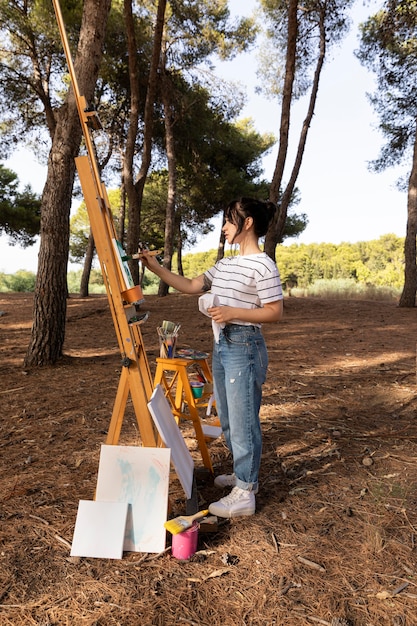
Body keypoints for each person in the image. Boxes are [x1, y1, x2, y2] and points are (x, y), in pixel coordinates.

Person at [140, 197, 283, 518]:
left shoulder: (264, 264)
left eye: (230, 221)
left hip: (245, 345)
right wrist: (155, 266)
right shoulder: (226, 264)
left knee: (244, 420)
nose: (224, 228)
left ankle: (245, 492)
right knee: (230, 419)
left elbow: (275, 311)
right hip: (223, 345)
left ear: (247, 223)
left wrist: (232, 311)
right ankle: (244, 475)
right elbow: (192, 285)